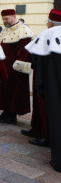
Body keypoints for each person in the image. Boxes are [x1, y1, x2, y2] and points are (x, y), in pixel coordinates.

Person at [25, 9, 61, 172]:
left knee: (56, 119)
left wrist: (41, 85)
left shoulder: (48, 34)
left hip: (53, 85)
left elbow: (37, 60)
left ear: (50, 22)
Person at [0, 9, 33, 124]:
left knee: (14, 91)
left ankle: (12, 115)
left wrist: (17, 65)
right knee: (4, 90)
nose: (5, 21)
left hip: (15, 68)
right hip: (4, 66)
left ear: (14, 17)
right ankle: (5, 112)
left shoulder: (24, 30)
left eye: (7, 18)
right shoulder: (5, 30)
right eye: (3, 19)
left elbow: (25, 51)